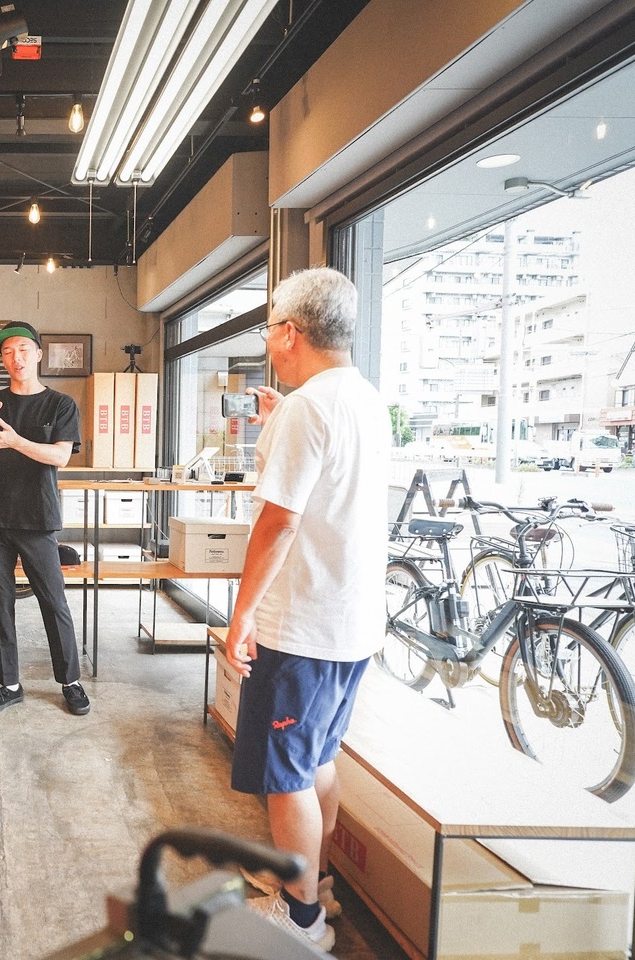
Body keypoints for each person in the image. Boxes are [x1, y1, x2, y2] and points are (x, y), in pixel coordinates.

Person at [223, 267, 389, 951]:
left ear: (290, 333)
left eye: (270, 328)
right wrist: (278, 426)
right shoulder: (364, 399)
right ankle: (314, 885)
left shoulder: (307, 408)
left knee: (286, 775)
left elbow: (278, 522)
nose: (269, 340)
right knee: (318, 759)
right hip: (352, 622)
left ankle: (300, 920)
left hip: (303, 625)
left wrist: (242, 615)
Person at [0, 320, 89, 717]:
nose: (15, 357)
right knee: (0, 604)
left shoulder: (60, 404)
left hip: (37, 518)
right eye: (7, 352)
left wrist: (16, 441)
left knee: (54, 602)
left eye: (22, 350)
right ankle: (9, 685)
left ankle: (70, 681)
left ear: (37, 354)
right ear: (2, 360)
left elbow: (60, 457)